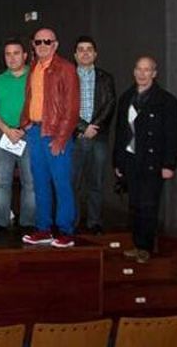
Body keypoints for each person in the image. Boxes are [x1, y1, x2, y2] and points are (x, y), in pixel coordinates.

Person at [113, 57, 177, 264]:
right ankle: (136, 244)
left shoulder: (167, 101)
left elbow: (173, 135)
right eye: (139, 69)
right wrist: (118, 162)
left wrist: (169, 164)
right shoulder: (126, 98)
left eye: (147, 70)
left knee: (148, 205)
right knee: (134, 204)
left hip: (153, 160)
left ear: (154, 73)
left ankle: (145, 247)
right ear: (134, 71)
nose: (142, 74)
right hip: (131, 158)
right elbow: (120, 133)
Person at [20, 28, 79, 248]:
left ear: (55, 44)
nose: (42, 45)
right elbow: (30, 98)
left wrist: (61, 138)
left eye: (47, 41)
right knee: (40, 183)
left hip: (55, 133)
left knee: (61, 184)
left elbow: (72, 108)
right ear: (33, 45)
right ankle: (43, 228)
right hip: (35, 132)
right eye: (38, 42)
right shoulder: (34, 67)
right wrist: (26, 122)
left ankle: (65, 231)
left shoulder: (66, 68)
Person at [0, 38, 35, 239]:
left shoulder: (35, 78)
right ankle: (0, 222)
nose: (12, 58)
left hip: (29, 135)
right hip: (4, 135)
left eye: (16, 53)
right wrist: (7, 130)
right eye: (8, 54)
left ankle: (28, 223)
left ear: (25, 55)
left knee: (30, 183)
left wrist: (27, 126)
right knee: (2, 182)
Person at [71, 36, 116, 235]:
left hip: (98, 137)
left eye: (89, 49)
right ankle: (71, 222)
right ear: (75, 55)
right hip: (75, 137)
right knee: (73, 183)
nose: (85, 53)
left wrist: (93, 127)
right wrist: (82, 127)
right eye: (81, 49)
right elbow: (64, 107)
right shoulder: (68, 76)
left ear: (95, 54)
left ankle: (94, 222)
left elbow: (110, 103)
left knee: (96, 183)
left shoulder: (106, 78)